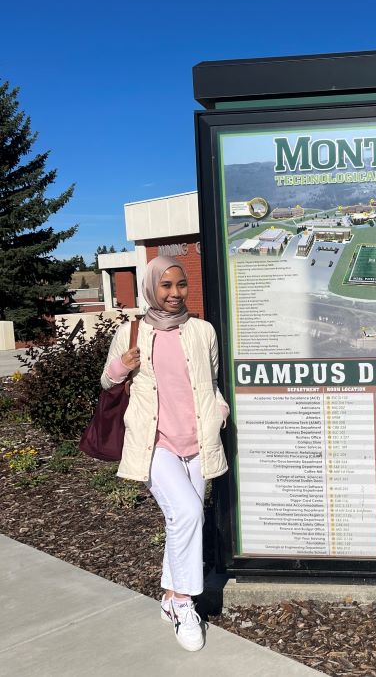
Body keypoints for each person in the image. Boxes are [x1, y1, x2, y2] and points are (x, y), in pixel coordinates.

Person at [101, 255, 229, 652]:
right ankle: (181, 602)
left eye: (181, 285)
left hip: (198, 441)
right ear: (151, 287)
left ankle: (169, 596)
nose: (174, 293)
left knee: (182, 519)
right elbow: (107, 382)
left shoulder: (203, 331)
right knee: (188, 513)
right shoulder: (132, 333)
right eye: (166, 286)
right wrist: (122, 366)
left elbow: (212, 380)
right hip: (154, 443)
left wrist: (219, 411)